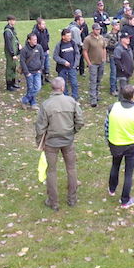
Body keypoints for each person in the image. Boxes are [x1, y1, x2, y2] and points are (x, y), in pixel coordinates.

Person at [35, 77, 84, 211]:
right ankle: (72, 199)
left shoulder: (46, 104)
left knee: (51, 171)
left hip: (51, 143)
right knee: (71, 169)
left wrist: (39, 142)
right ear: (62, 88)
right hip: (68, 141)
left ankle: (53, 202)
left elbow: (40, 127)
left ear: (52, 88)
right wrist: (72, 132)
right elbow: (80, 121)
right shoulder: (71, 101)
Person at [104, 84, 134, 209]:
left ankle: (112, 189)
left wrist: (108, 140)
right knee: (128, 173)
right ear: (133, 96)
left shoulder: (112, 107)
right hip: (131, 146)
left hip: (115, 144)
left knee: (115, 165)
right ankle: (125, 200)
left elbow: (106, 127)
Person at [83, 23, 107, 107]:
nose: (98, 31)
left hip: (101, 62)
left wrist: (104, 58)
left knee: (98, 79)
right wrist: (89, 63)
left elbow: (104, 48)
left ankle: (96, 95)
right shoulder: (87, 39)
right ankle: (93, 99)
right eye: (97, 29)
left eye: (99, 29)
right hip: (93, 63)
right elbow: (85, 51)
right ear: (93, 30)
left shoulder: (101, 38)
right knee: (93, 81)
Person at [20, 33, 45, 110]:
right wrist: (27, 73)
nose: (35, 41)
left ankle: (24, 100)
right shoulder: (24, 50)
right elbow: (22, 62)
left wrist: (41, 68)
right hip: (29, 72)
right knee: (30, 88)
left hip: (37, 71)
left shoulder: (39, 47)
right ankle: (33, 103)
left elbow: (42, 58)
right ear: (29, 40)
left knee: (37, 87)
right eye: (34, 40)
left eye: (36, 39)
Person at [53, 28, 80, 100]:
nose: (70, 37)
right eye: (68, 36)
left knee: (74, 83)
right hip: (62, 69)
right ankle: (65, 98)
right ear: (63, 37)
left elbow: (77, 54)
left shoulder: (73, 43)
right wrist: (63, 62)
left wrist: (75, 64)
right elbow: (55, 56)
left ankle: (75, 98)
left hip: (72, 68)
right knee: (63, 84)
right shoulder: (59, 45)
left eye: (70, 35)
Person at [3, 15, 21, 92]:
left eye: (14, 20)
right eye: (13, 20)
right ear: (9, 21)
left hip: (15, 51)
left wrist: (19, 45)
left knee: (14, 67)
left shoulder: (12, 29)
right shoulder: (7, 31)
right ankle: (9, 85)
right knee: (9, 68)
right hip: (10, 53)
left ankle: (13, 83)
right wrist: (12, 54)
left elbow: (15, 39)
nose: (14, 21)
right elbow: (8, 44)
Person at [31, 17, 51, 83]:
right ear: (39, 25)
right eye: (43, 24)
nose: (44, 25)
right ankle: (41, 79)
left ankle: (46, 77)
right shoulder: (35, 32)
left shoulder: (45, 30)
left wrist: (47, 48)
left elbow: (47, 38)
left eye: (45, 24)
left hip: (45, 50)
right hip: (39, 52)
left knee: (47, 65)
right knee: (41, 66)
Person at [105, 20, 122, 96]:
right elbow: (106, 45)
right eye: (116, 25)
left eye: (119, 25)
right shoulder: (109, 35)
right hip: (112, 55)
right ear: (113, 26)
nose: (118, 26)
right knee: (113, 72)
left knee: (119, 72)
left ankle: (117, 87)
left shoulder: (120, 34)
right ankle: (113, 89)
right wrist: (116, 46)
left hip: (120, 55)